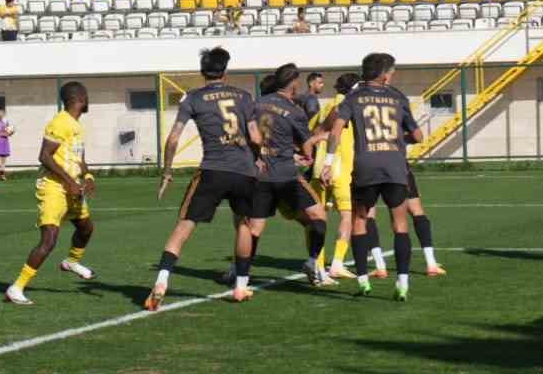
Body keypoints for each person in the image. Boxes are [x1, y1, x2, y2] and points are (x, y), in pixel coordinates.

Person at [144, 48, 261, 310]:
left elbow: (173, 137)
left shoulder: (192, 98)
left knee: (185, 225)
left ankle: (162, 281)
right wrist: (257, 158)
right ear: (225, 72)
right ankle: (241, 287)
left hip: (212, 169)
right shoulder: (244, 96)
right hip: (243, 171)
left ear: (202, 71)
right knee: (244, 224)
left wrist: (167, 172)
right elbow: (255, 137)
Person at [324, 53, 424, 299]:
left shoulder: (353, 97)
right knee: (400, 224)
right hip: (394, 166)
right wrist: (399, 140)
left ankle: (362, 281)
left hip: (366, 166)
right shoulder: (398, 97)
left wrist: (328, 161)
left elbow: (335, 131)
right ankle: (402, 283)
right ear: (384, 74)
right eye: (392, 71)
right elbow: (419, 136)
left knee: (360, 221)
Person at [5, 83, 97, 306]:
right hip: (54, 188)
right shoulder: (60, 122)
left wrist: (87, 177)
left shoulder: (77, 126)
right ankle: (16, 288)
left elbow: (79, 158)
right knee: (49, 240)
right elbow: (44, 156)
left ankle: (71, 262)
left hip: (72, 187)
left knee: (86, 228)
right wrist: (68, 182)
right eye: (87, 96)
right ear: (81, 98)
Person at [243, 64, 331, 287]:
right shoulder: (294, 111)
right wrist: (322, 136)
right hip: (285, 177)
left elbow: (250, 136)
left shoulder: (254, 104)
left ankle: (240, 271)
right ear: (293, 82)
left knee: (253, 229)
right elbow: (306, 145)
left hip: (258, 175)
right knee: (319, 218)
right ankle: (312, 261)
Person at [0, 106, 16, 181]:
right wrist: (2, 134)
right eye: (0, 112)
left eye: (3, 112)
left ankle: (2, 175)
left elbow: (8, 133)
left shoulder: (6, 122)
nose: (1, 114)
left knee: (4, 159)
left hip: (5, 141)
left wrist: (12, 131)